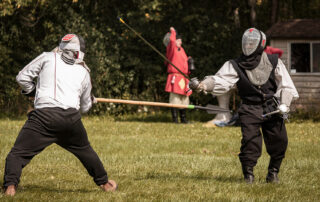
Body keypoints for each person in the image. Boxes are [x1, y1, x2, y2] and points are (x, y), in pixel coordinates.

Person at [3, 34, 117, 196]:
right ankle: (105, 184)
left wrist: (32, 91)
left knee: (18, 153)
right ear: (80, 52)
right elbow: (84, 107)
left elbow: (22, 77)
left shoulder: (47, 57)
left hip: (43, 118)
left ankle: (10, 188)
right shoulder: (84, 72)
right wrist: (91, 100)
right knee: (86, 151)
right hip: (70, 120)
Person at [189, 28, 299, 184]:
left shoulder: (274, 61)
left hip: (272, 107)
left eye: (252, 43)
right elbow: (220, 80)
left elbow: (286, 85)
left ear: (260, 44)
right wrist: (202, 85)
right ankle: (249, 176)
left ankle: (273, 173)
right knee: (250, 142)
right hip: (249, 108)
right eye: (247, 43)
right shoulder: (235, 65)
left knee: (279, 140)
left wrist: (284, 103)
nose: (249, 45)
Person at [163, 27, 193, 123]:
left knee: (184, 99)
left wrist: (188, 61)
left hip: (183, 77)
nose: (180, 42)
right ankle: (175, 120)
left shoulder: (182, 50)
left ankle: (183, 119)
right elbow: (171, 40)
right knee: (175, 99)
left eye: (181, 40)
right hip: (175, 77)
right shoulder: (172, 49)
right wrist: (173, 31)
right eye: (178, 40)